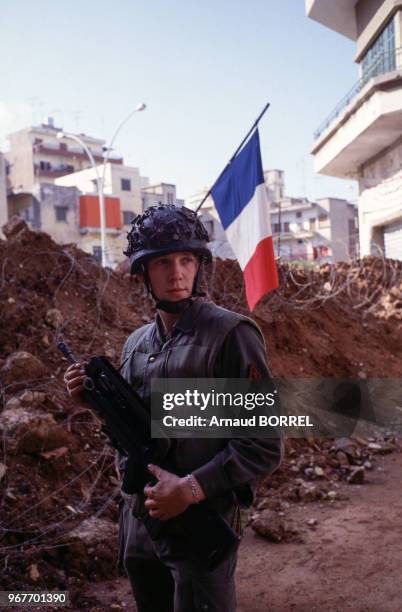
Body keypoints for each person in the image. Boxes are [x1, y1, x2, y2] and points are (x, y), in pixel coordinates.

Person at [64, 204, 282, 612]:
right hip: (141, 524)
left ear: (200, 266)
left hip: (199, 523)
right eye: (163, 262)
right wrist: (92, 402)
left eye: (186, 260)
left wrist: (191, 489)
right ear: (143, 273)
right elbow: (137, 433)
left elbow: (264, 443)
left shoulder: (231, 335)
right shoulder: (136, 345)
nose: (177, 272)